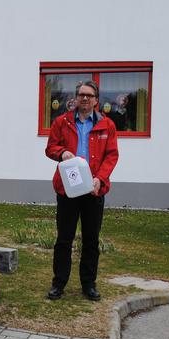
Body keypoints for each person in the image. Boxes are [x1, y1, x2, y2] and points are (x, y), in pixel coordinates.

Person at [45, 81, 119, 301]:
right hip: (68, 188)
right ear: (76, 98)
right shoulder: (62, 122)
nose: (85, 98)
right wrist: (62, 153)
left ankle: (89, 284)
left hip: (94, 189)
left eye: (89, 95)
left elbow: (112, 155)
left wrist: (100, 178)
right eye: (81, 95)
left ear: (96, 100)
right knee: (64, 239)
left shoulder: (108, 125)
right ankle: (58, 284)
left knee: (91, 240)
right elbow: (50, 147)